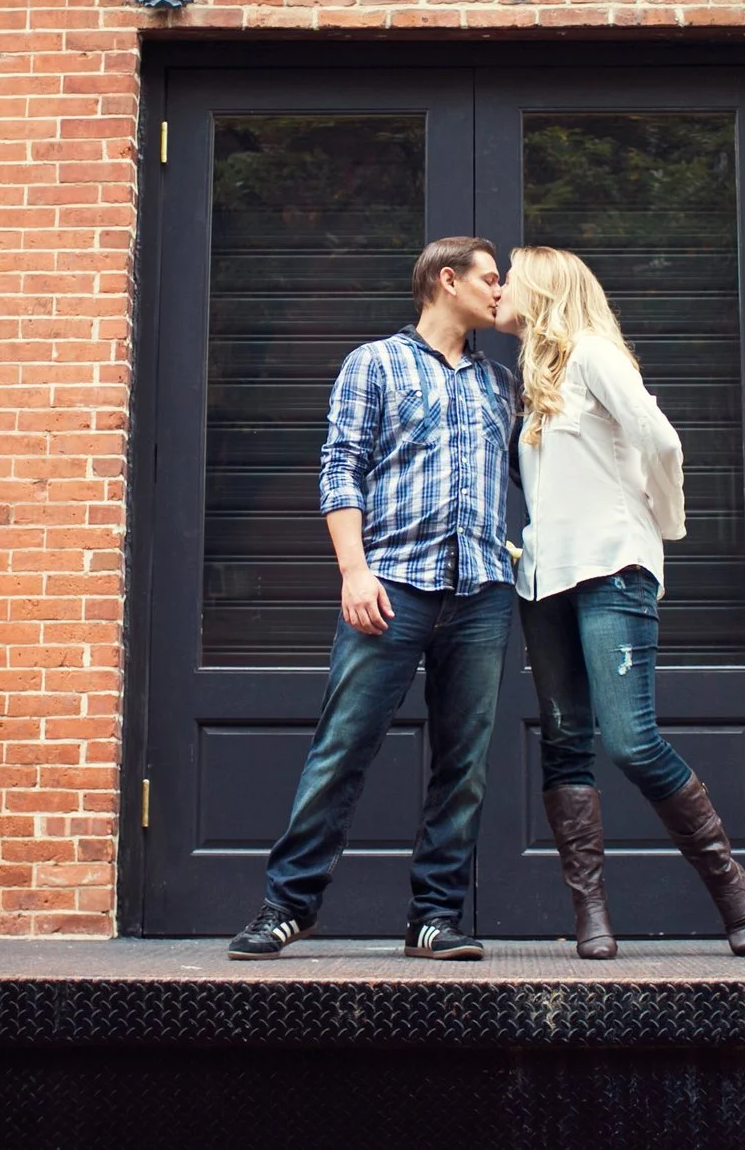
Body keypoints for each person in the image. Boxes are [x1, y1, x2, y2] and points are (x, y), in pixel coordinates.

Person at [228, 236, 518, 962]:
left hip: (481, 589)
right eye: (489, 278)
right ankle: (288, 905)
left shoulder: (500, 384)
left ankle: (435, 917)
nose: (500, 291)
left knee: (465, 762)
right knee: (343, 746)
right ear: (445, 280)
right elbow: (340, 469)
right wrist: (354, 571)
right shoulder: (375, 364)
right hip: (390, 583)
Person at [499, 244, 745, 958]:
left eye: (511, 279)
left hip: (614, 567)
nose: (498, 288)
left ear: (546, 289)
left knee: (631, 739)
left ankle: (729, 883)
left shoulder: (591, 354)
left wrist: (662, 524)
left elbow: (661, 439)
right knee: (563, 740)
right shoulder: (535, 379)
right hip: (545, 580)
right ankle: (591, 917)